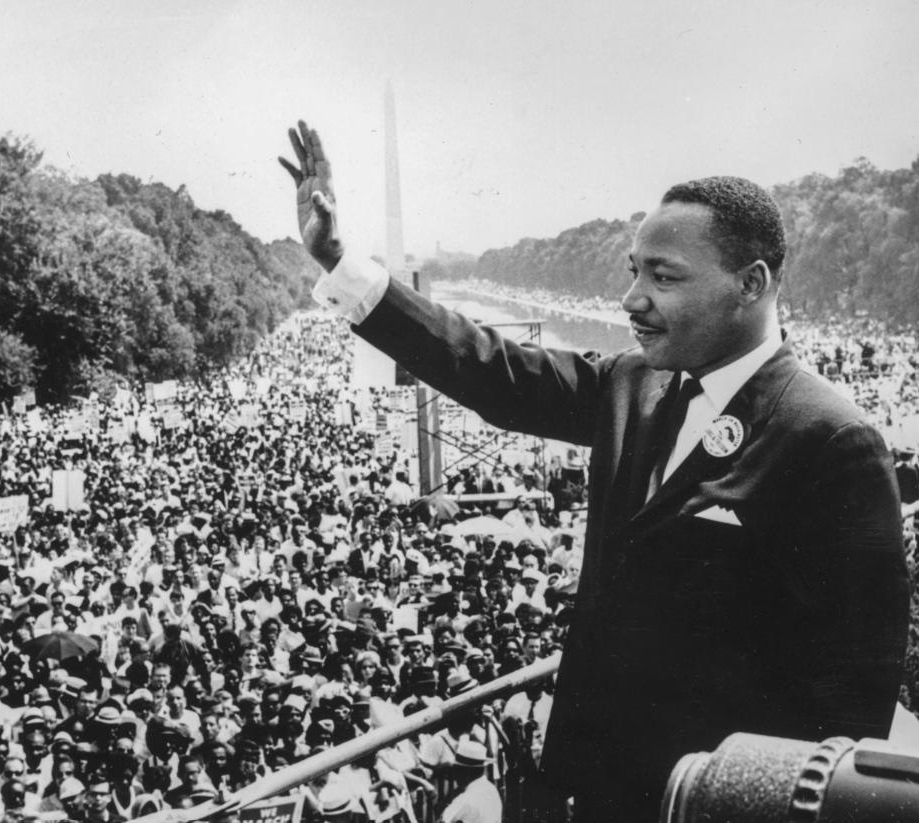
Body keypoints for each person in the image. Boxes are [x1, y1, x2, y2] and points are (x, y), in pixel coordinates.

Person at [280, 121, 910, 822]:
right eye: (632, 270)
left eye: (663, 276)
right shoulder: (631, 384)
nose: (631, 298)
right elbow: (487, 367)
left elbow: (849, 708)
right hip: (582, 789)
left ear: (750, 284)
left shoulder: (830, 439)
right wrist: (338, 262)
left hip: (701, 803)